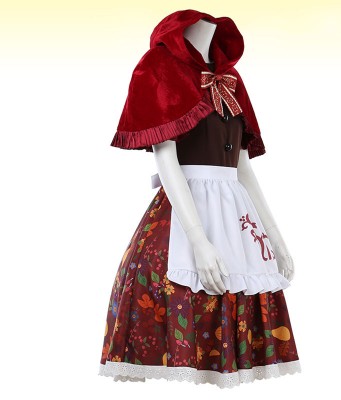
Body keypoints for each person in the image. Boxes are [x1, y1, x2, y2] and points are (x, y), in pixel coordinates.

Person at [99, 9, 301, 388]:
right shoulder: (158, 67)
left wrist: (275, 237)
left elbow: (242, 168)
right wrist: (198, 239)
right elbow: (166, 160)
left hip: (236, 215)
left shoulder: (231, 79)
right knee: (184, 297)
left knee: (238, 292)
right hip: (185, 210)